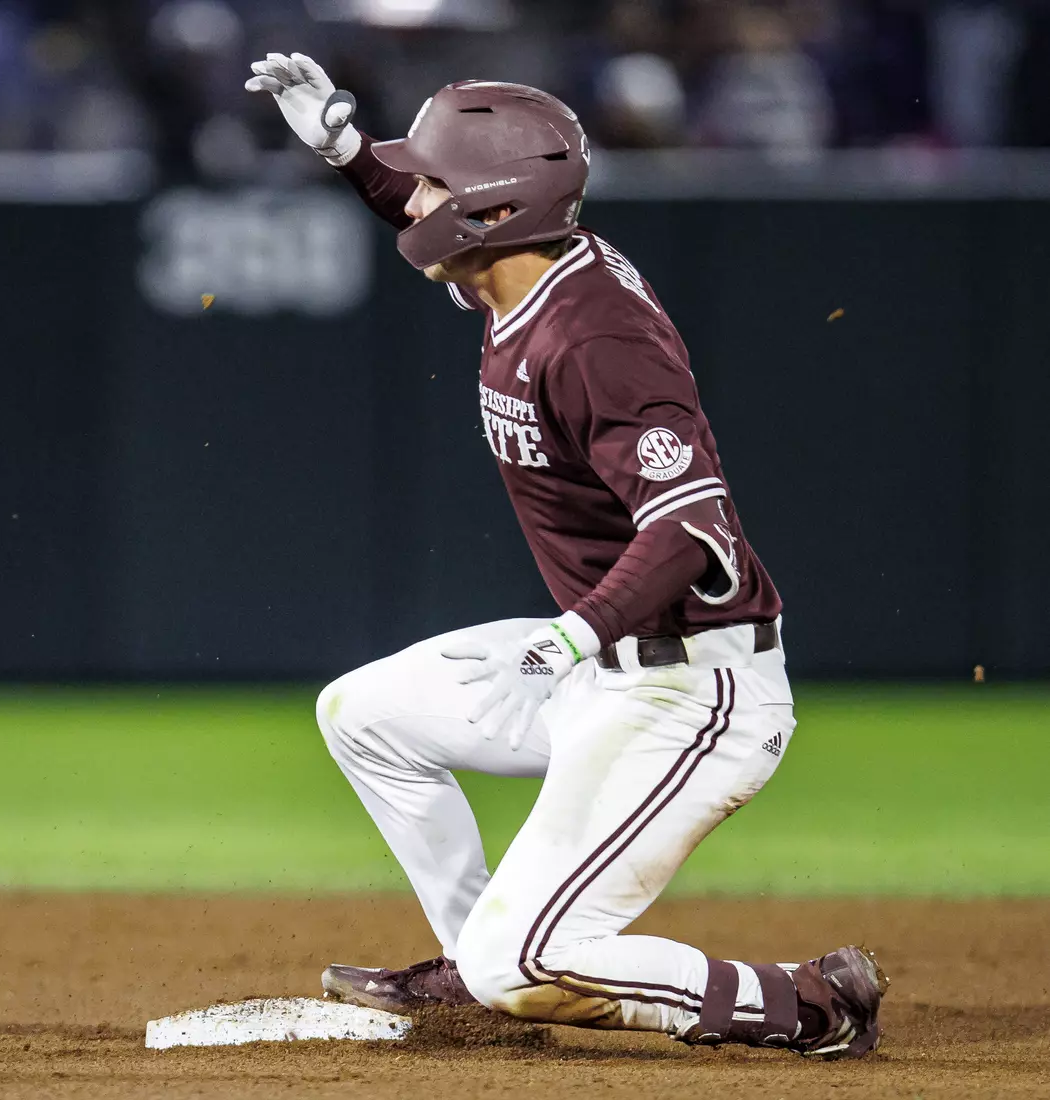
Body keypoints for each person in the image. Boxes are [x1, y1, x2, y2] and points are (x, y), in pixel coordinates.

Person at [244, 53, 886, 1059]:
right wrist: (345, 153)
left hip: (695, 694)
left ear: (495, 212)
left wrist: (569, 636)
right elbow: (432, 215)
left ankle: (806, 1002)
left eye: (434, 181)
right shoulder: (524, 271)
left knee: (528, 961)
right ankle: (475, 982)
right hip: (603, 667)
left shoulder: (591, 336)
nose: (415, 197)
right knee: (363, 715)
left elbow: (693, 527)